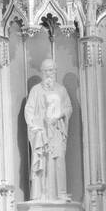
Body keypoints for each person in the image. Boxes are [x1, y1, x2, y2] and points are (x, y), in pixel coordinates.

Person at [24, 57, 72, 201]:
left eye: (53, 70)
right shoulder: (36, 90)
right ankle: (42, 195)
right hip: (42, 133)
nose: (51, 73)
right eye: (48, 70)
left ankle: (60, 193)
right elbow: (29, 110)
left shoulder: (61, 90)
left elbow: (68, 108)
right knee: (43, 162)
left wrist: (59, 116)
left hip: (56, 131)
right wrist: (35, 127)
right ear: (43, 72)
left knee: (58, 161)